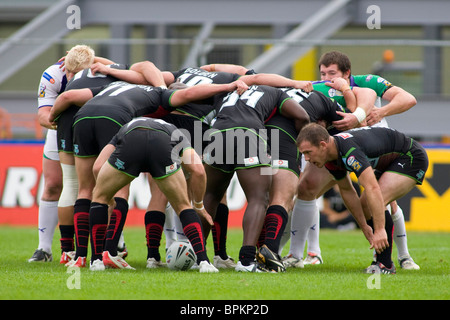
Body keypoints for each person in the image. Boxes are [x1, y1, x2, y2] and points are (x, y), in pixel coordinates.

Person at [288, 50, 420, 270]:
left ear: (347, 73)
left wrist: (379, 112)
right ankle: (301, 254)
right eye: (322, 74)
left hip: (375, 151)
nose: (326, 78)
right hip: (335, 150)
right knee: (306, 188)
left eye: (332, 73)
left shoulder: (366, 83)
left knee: (382, 199)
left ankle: (403, 256)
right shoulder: (320, 88)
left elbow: (408, 99)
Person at [202, 84, 310, 272]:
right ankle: (245, 261)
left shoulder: (229, 90)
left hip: (218, 132)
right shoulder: (275, 92)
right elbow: (302, 116)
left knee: (210, 195)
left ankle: (199, 257)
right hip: (249, 133)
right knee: (258, 199)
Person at [297, 123, 428, 274]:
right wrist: (364, 225)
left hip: (411, 156)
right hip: (389, 163)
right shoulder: (330, 157)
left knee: (377, 199)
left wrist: (378, 230)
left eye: (308, 152)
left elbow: (372, 188)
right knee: (366, 203)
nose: (306, 158)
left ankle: (385, 264)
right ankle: (385, 260)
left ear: (322, 145)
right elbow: (347, 190)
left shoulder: (350, 151)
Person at [29, 45, 113, 263]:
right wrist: (64, 123)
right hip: (61, 127)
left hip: (93, 128)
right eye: (68, 71)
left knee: (102, 186)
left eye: (77, 72)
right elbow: (43, 116)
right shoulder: (52, 75)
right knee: (54, 184)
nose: (71, 76)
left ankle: (113, 243)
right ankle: (44, 248)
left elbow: (121, 69)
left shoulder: (101, 71)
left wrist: (96, 60)